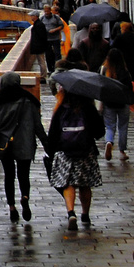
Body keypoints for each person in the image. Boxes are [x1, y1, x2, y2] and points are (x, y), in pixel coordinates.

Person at [0, 70, 45, 224]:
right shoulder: (29, 101)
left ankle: (12, 207)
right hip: (25, 144)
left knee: (9, 176)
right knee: (24, 175)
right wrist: (47, 144)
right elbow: (38, 126)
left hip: (6, 146)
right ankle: (25, 197)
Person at [47, 86, 105, 229]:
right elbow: (99, 132)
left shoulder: (61, 109)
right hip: (86, 151)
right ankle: (85, 214)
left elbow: (53, 134)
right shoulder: (88, 109)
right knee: (85, 184)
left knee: (68, 183)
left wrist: (52, 151)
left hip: (65, 151)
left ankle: (71, 212)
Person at [101, 49, 134, 160]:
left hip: (109, 102)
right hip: (122, 102)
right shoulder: (124, 71)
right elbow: (129, 88)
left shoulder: (104, 70)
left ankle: (109, 142)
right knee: (123, 126)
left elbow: (101, 85)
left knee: (109, 126)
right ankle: (122, 151)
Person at [37, 4, 66, 73]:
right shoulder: (42, 18)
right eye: (45, 12)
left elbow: (61, 26)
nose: (47, 13)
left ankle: (58, 68)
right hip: (46, 39)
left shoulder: (56, 18)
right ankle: (50, 69)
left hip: (55, 38)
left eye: (48, 11)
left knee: (57, 53)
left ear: (50, 11)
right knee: (48, 54)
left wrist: (55, 30)